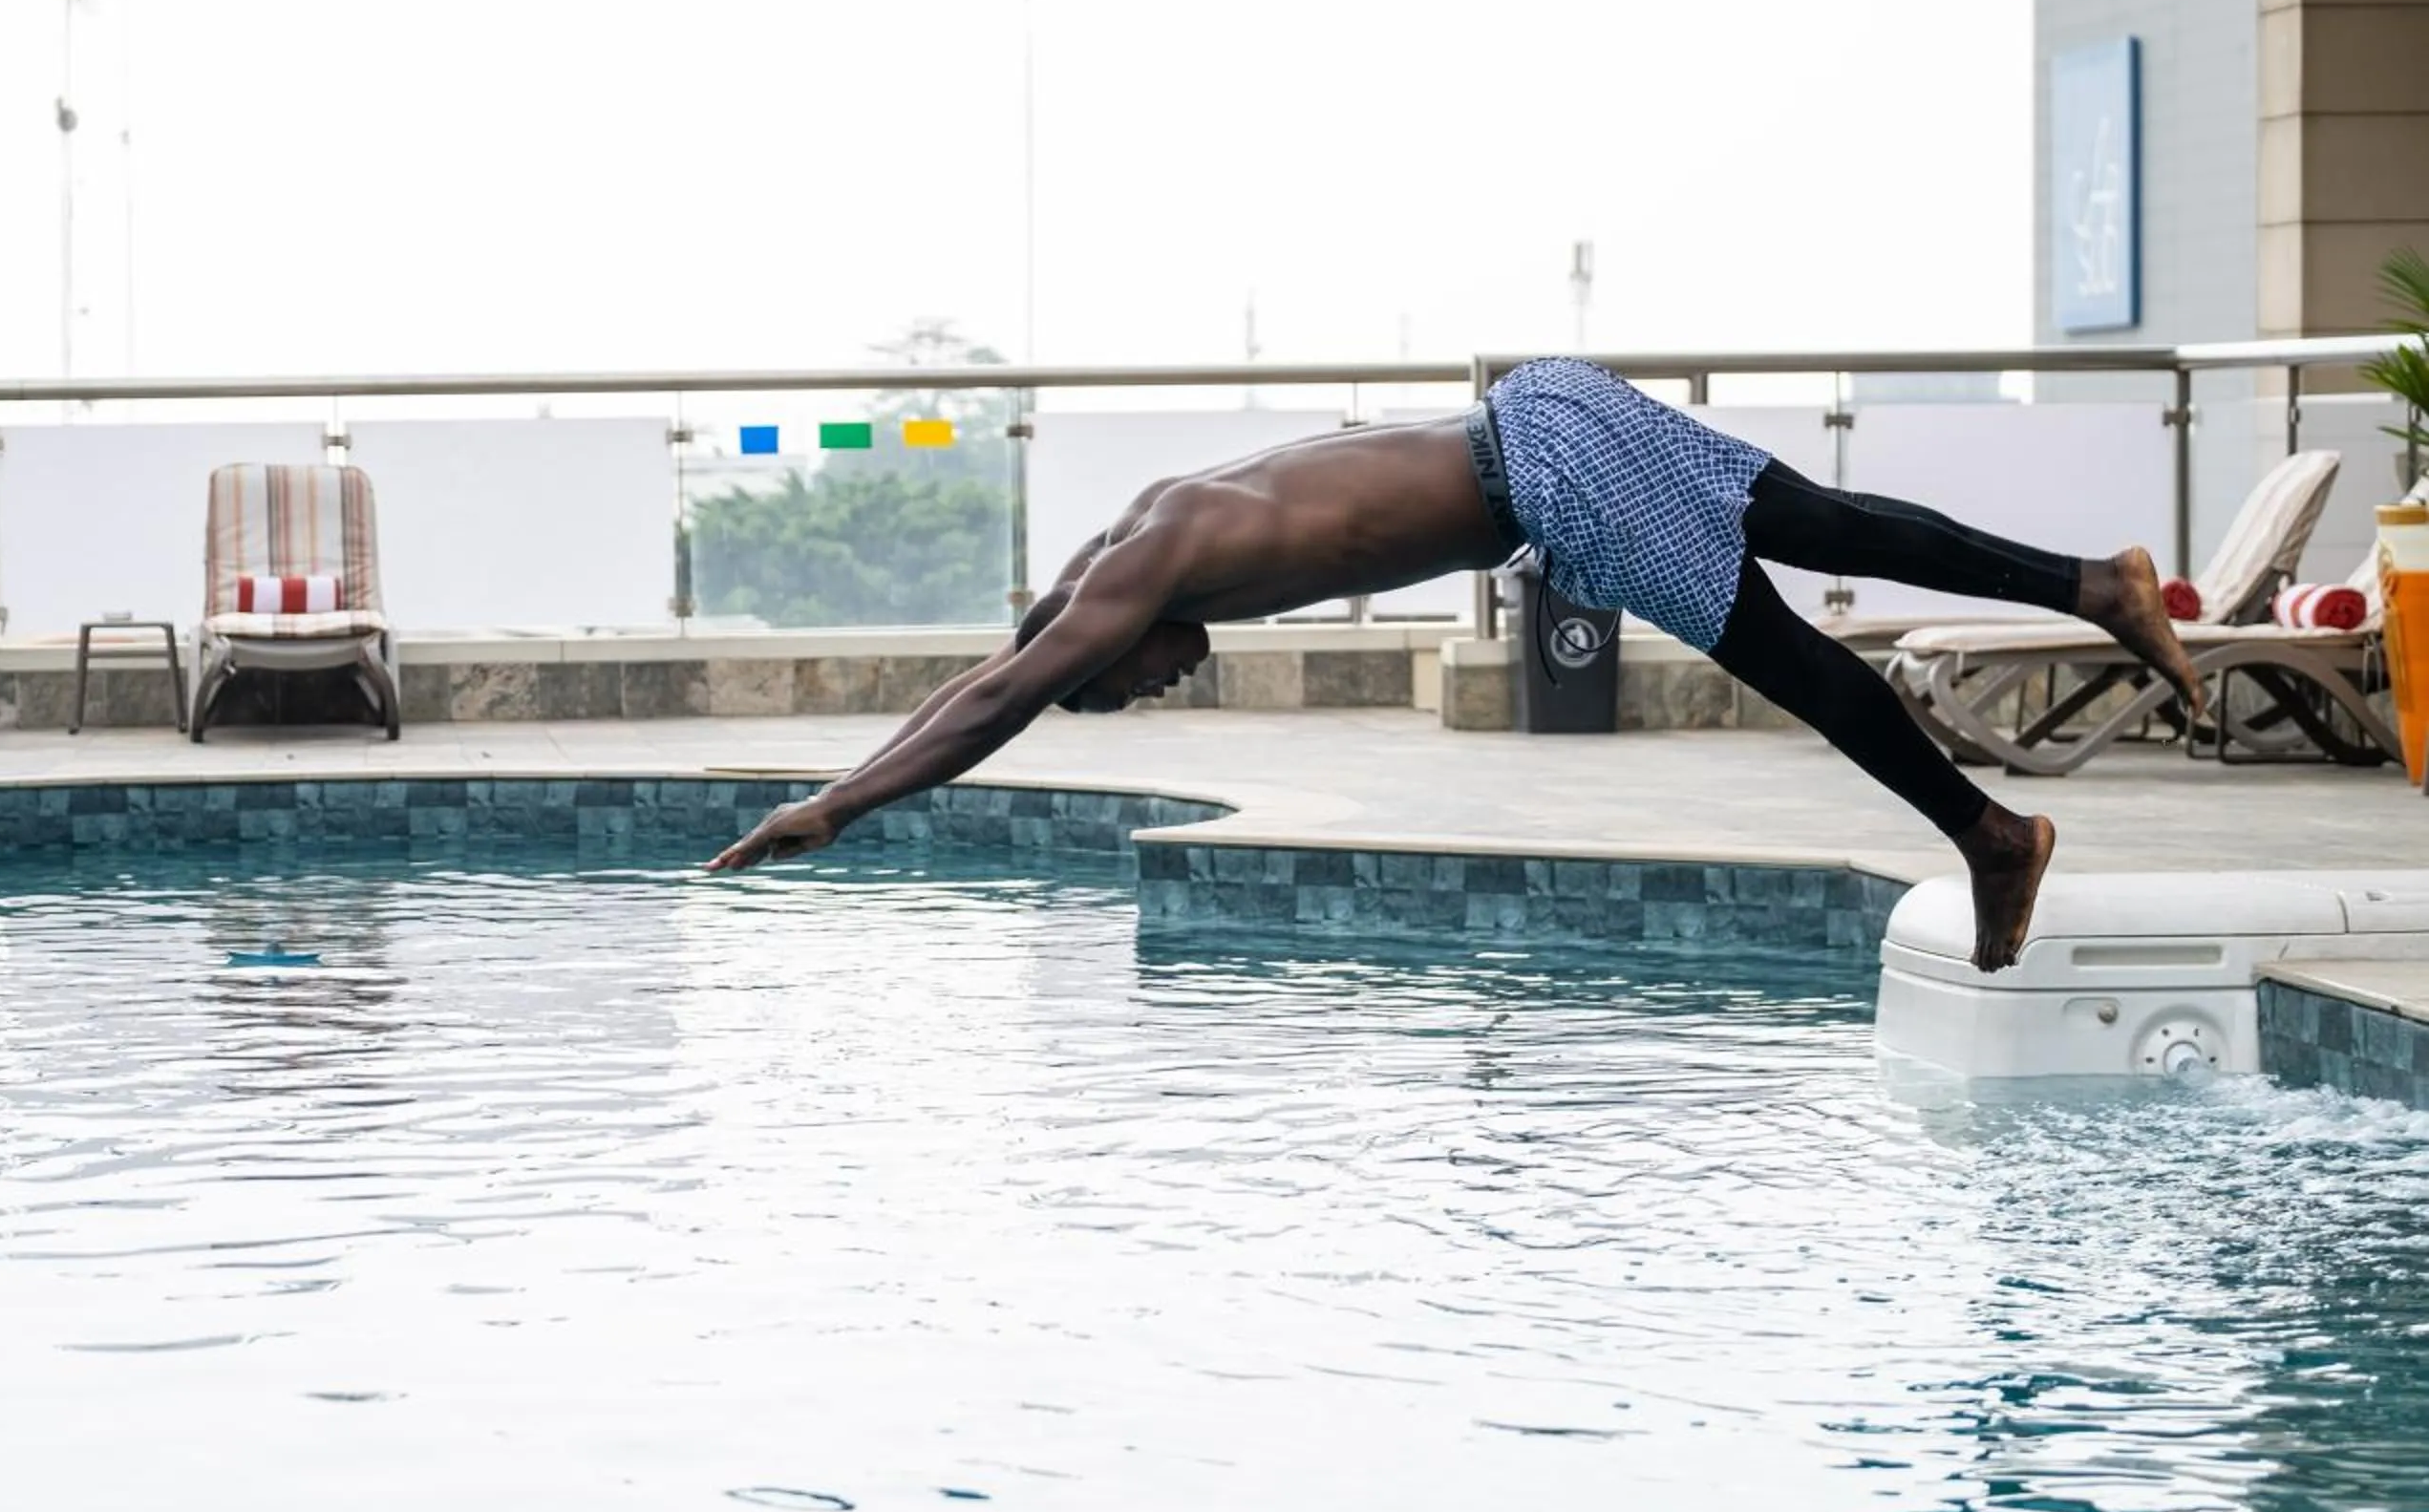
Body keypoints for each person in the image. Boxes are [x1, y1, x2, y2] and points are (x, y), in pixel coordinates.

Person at [708, 358, 2203, 973]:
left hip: (1542, 484)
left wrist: (837, 805)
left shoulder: (1136, 573)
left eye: (1126, 684)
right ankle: (2093, 587)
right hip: (1536, 413)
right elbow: (1018, 663)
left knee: (1790, 655)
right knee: (1808, 519)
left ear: (1103, 641)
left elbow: (999, 692)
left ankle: (1992, 832)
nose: (1154, 686)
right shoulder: (1146, 529)